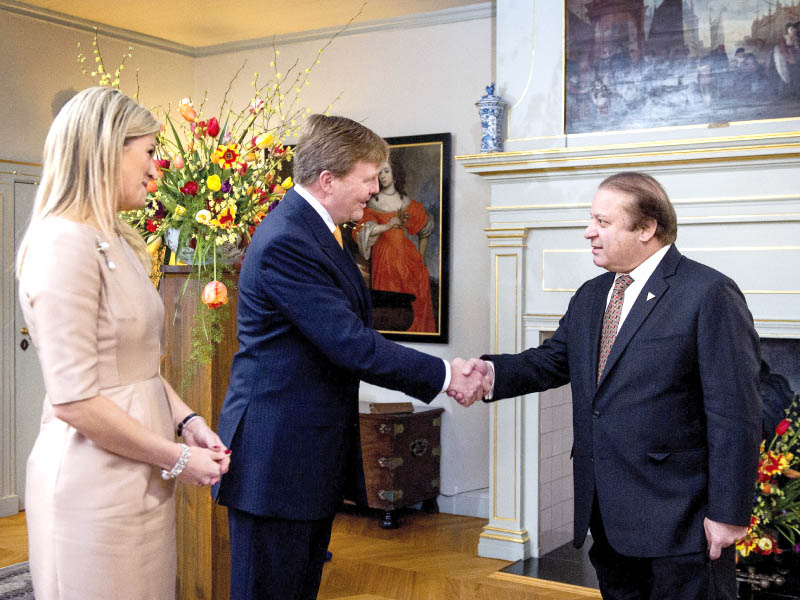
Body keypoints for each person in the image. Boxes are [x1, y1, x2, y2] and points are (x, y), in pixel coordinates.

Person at [213, 114, 486, 600]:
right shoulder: (288, 241)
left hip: (302, 458)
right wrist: (445, 374)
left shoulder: (320, 232)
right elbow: (350, 343)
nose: (374, 190)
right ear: (328, 180)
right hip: (276, 461)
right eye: (367, 179)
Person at [458, 172, 762, 599]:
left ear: (646, 228)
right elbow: (551, 360)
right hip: (608, 515)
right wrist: (490, 375)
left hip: (681, 520)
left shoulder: (708, 292)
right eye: (591, 220)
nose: (589, 232)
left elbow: (736, 413)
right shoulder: (592, 294)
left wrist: (729, 513)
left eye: (603, 222)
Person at [15, 86, 231, 600]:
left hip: (139, 473)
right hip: (94, 482)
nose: (157, 170)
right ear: (108, 148)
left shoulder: (118, 238)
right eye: (150, 151)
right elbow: (73, 400)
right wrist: (175, 458)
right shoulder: (62, 242)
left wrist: (188, 422)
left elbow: (139, 369)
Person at [352, 155, 436, 332]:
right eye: (379, 173)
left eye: (386, 171)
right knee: (390, 313)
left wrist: (421, 259)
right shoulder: (371, 204)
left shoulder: (407, 203)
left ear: (395, 174)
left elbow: (425, 227)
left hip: (409, 262)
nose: (382, 176)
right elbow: (364, 230)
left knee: (413, 307)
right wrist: (387, 226)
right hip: (385, 263)